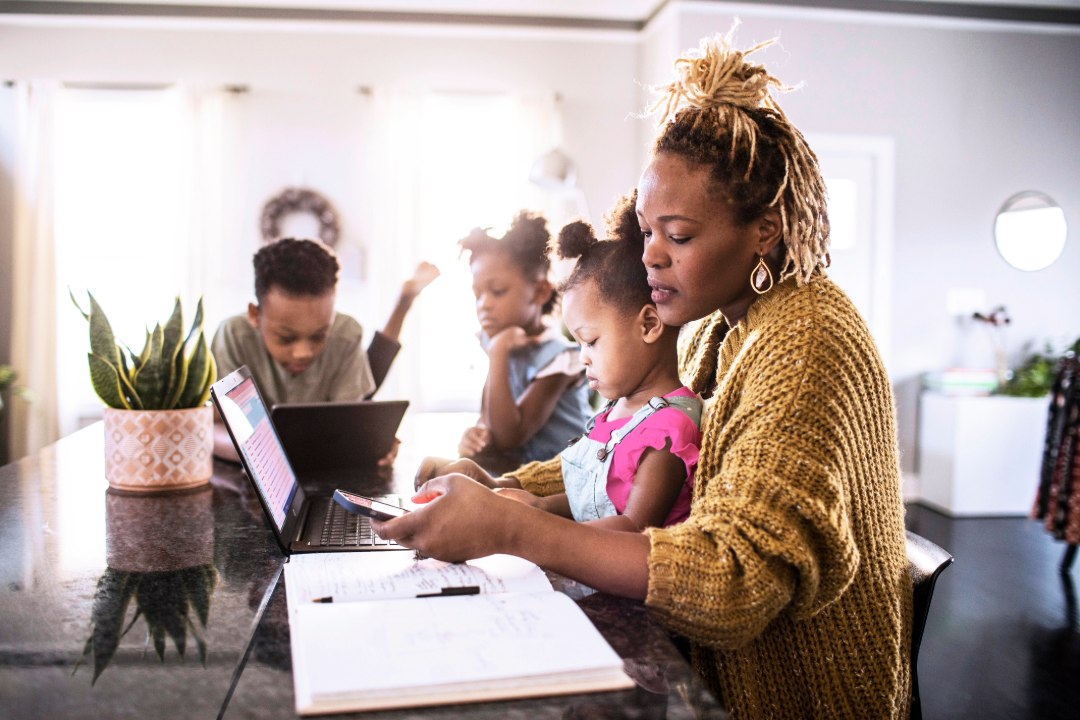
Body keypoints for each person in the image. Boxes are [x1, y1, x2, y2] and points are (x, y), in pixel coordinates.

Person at [374, 29, 911, 720]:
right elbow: (626, 445)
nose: (651, 257)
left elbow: (733, 582)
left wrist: (514, 529)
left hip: (794, 694)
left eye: (679, 236)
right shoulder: (725, 323)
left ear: (766, 232)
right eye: (647, 230)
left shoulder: (805, 343)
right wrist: (504, 489)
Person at [473, 196, 703, 532]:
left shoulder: (669, 429)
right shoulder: (616, 412)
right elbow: (594, 497)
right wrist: (538, 505)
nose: (583, 356)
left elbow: (631, 529)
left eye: (591, 342)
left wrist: (531, 525)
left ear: (649, 325)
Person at [211, 237, 438, 460]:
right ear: (255, 315)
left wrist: (369, 441)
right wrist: (260, 453)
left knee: (369, 384)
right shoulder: (232, 335)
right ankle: (404, 300)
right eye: (286, 337)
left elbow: (349, 421)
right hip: (256, 470)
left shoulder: (346, 332)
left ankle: (404, 301)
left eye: (319, 336)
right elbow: (210, 427)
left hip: (331, 439)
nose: (303, 352)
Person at [456, 211, 592, 469]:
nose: (484, 305)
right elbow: (490, 424)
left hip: (566, 483)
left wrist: (497, 353)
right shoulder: (503, 345)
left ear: (540, 292)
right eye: (478, 294)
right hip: (521, 478)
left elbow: (510, 436)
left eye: (497, 291)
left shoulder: (562, 357)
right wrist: (474, 437)